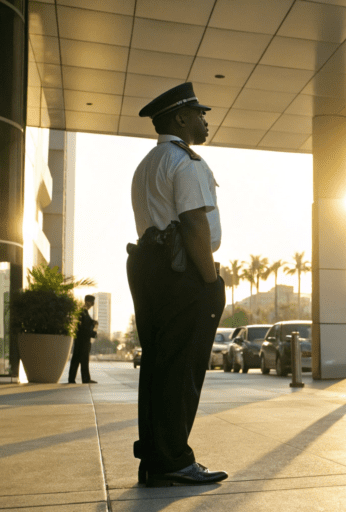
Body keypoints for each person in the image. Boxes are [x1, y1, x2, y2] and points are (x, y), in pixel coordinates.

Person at [126, 82, 227, 487]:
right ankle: (174, 460)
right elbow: (194, 223)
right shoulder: (186, 162)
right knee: (182, 369)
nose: (205, 120)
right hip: (181, 273)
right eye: (199, 113)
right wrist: (211, 279)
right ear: (181, 118)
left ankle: (155, 458)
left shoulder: (149, 163)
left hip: (150, 268)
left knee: (158, 367)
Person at [68, 295, 97, 384]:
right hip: (82, 340)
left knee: (78, 359)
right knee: (81, 359)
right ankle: (84, 379)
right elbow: (83, 327)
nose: (92, 305)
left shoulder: (84, 312)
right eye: (91, 302)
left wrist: (93, 322)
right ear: (87, 301)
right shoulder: (82, 312)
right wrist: (92, 332)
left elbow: (87, 323)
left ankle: (74, 379)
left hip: (82, 340)